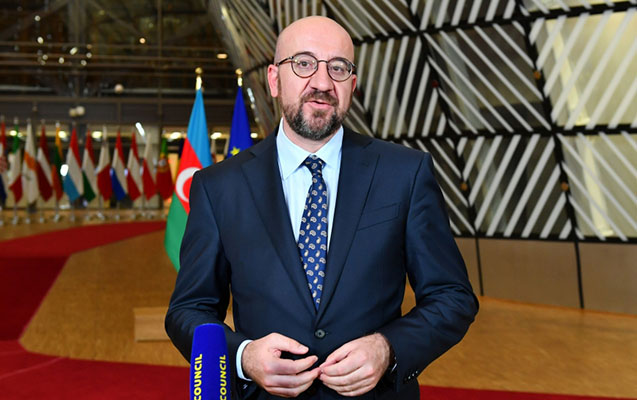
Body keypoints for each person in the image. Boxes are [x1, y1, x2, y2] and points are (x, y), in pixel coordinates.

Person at [166, 16, 478, 400]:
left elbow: (452, 296)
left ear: (352, 85)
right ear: (274, 80)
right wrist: (243, 357)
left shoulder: (405, 174)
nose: (322, 82)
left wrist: (389, 348)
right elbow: (189, 310)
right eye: (304, 63)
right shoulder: (219, 187)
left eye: (338, 67)